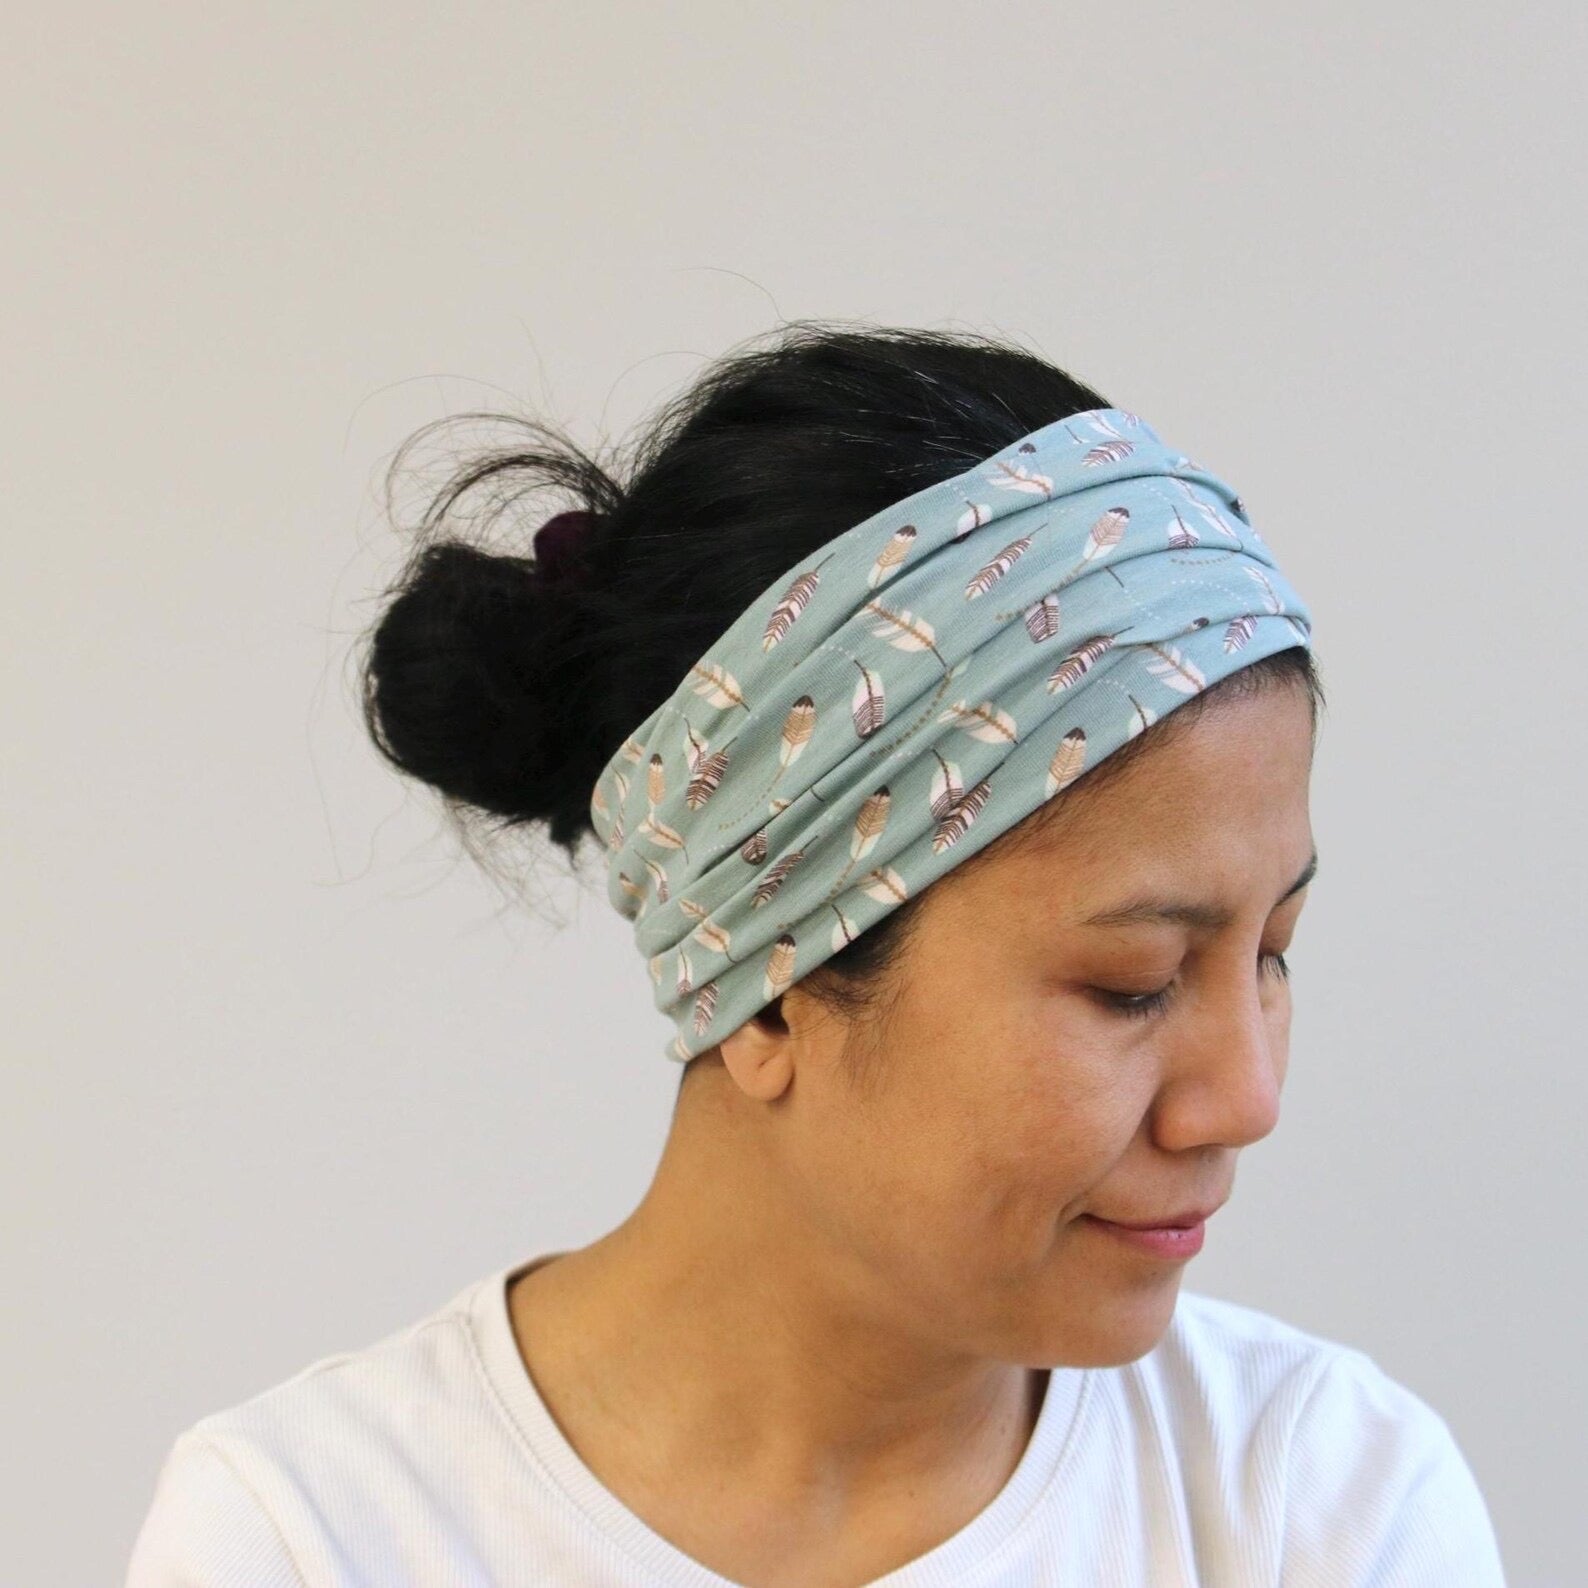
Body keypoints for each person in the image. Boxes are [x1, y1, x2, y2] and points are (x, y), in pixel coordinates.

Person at [124, 323, 1507, 1586]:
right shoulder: (314, 1536)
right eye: (1134, 983)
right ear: (771, 991)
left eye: (1275, 951)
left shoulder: (1318, 1503)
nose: (1248, 1098)